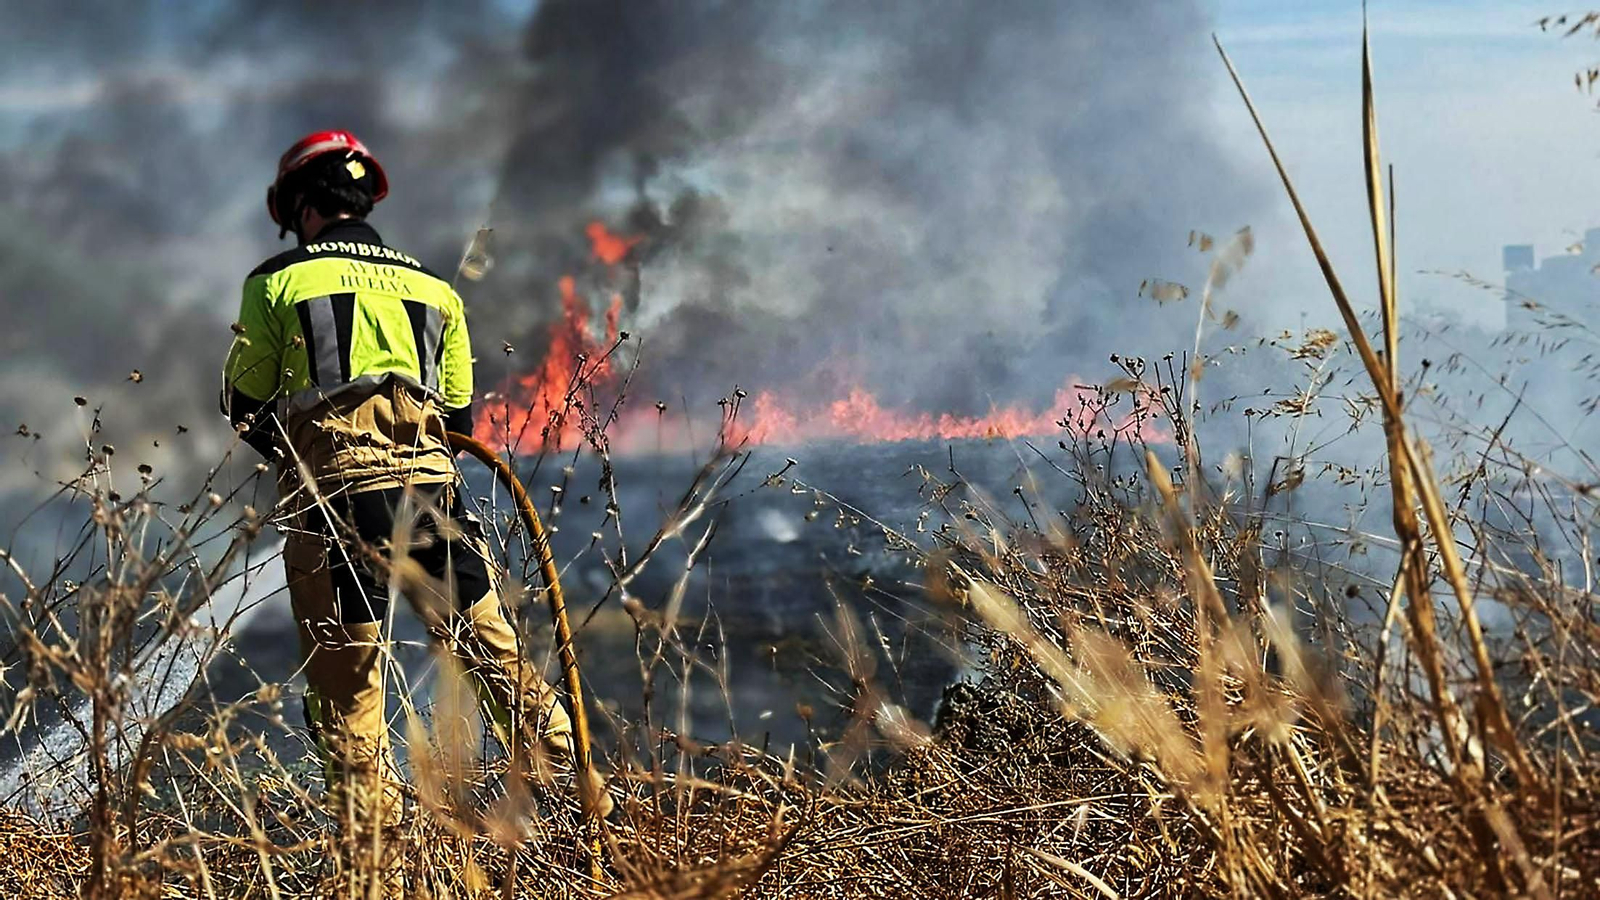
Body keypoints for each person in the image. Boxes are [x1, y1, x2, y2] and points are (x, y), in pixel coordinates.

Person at [221, 131, 601, 872]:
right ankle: (603, 834)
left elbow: (244, 402)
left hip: (334, 508)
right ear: (366, 201)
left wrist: (308, 456)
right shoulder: (437, 291)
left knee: (351, 707)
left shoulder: (276, 283)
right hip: (433, 505)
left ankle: (384, 874)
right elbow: (458, 421)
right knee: (503, 669)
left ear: (300, 206)